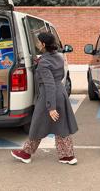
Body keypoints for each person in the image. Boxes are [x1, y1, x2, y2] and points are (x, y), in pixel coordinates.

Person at [11, 32, 78, 165]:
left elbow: (49, 84)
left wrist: (51, 107)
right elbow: (59, 76)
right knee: (61, 125)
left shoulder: (44, 62)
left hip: (49, 95)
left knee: (37, 125)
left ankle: (26, 153)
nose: (36, 43)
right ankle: (67, 156)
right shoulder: (58, 56)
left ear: (43, 44)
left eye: (38, 41)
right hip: (61, 94)